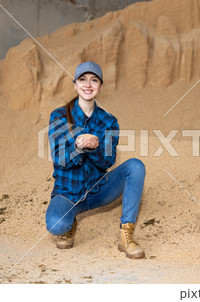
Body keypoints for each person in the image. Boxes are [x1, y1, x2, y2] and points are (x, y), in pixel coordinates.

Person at [45, 61, 146, 259]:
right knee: (57, 225)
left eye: (94, 80)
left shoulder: (109, 121)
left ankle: (126, 236)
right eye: (82, 79)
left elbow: (108, 162)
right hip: (68, 193)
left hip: (99, 191)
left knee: (135, 166)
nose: (88, 85)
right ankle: (70, 220)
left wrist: (96, 147)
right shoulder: (59, 116)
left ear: (100, 86)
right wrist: (77, 147)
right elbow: (59, 158)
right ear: (75, 84)